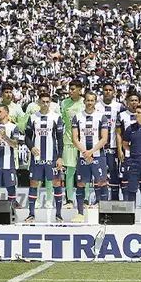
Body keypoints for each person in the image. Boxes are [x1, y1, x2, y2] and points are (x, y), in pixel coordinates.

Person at [24, 92, 65, 223]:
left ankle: (58, 215)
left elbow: (60, 139)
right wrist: (31, 147)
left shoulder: (56, 117)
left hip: (51, 158)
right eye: (43, 102)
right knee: (33, 184)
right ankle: (31, 214)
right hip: (36, 159)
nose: (45, 104)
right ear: (39, 103)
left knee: (56, 183)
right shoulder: (32, 117)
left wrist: (60, 157)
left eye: (48, 102)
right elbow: (27, 137)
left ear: (50, 103)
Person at [71, 92, 109, 221]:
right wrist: (85, 152)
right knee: (81, 183)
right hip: (83, 156)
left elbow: (104, 138)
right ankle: (80, 214)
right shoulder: (77, 117)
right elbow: (75, 138)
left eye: (92, 100)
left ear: (95, 102)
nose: (89, 103)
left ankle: (103, 214)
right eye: (88, 100)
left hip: (98, 155)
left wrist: (91, 151)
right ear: (84, 101)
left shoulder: (101, 117)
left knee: (101, 182)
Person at [60, 79, 86, 210]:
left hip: (84, 142)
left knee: (85, 171)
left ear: (80, 90)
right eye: (69, 89)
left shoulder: (85, 102)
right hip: (69, 141)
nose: (70, 91)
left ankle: (85, 199)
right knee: (70, 171)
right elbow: (62, 121)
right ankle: (69, 199)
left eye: (73, 89)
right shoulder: (64, 103)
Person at [96, 83, 124, 201]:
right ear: (102, 91)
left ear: (114, 92)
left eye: (110, 90)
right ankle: (99, 199)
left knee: (114, 172)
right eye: (106, 89)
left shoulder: (119, 107)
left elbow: (122, 127)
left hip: (113, 146)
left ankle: (115, 198)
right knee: (98, 172)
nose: (108, 92)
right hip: (98, 147)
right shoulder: (96, 106)